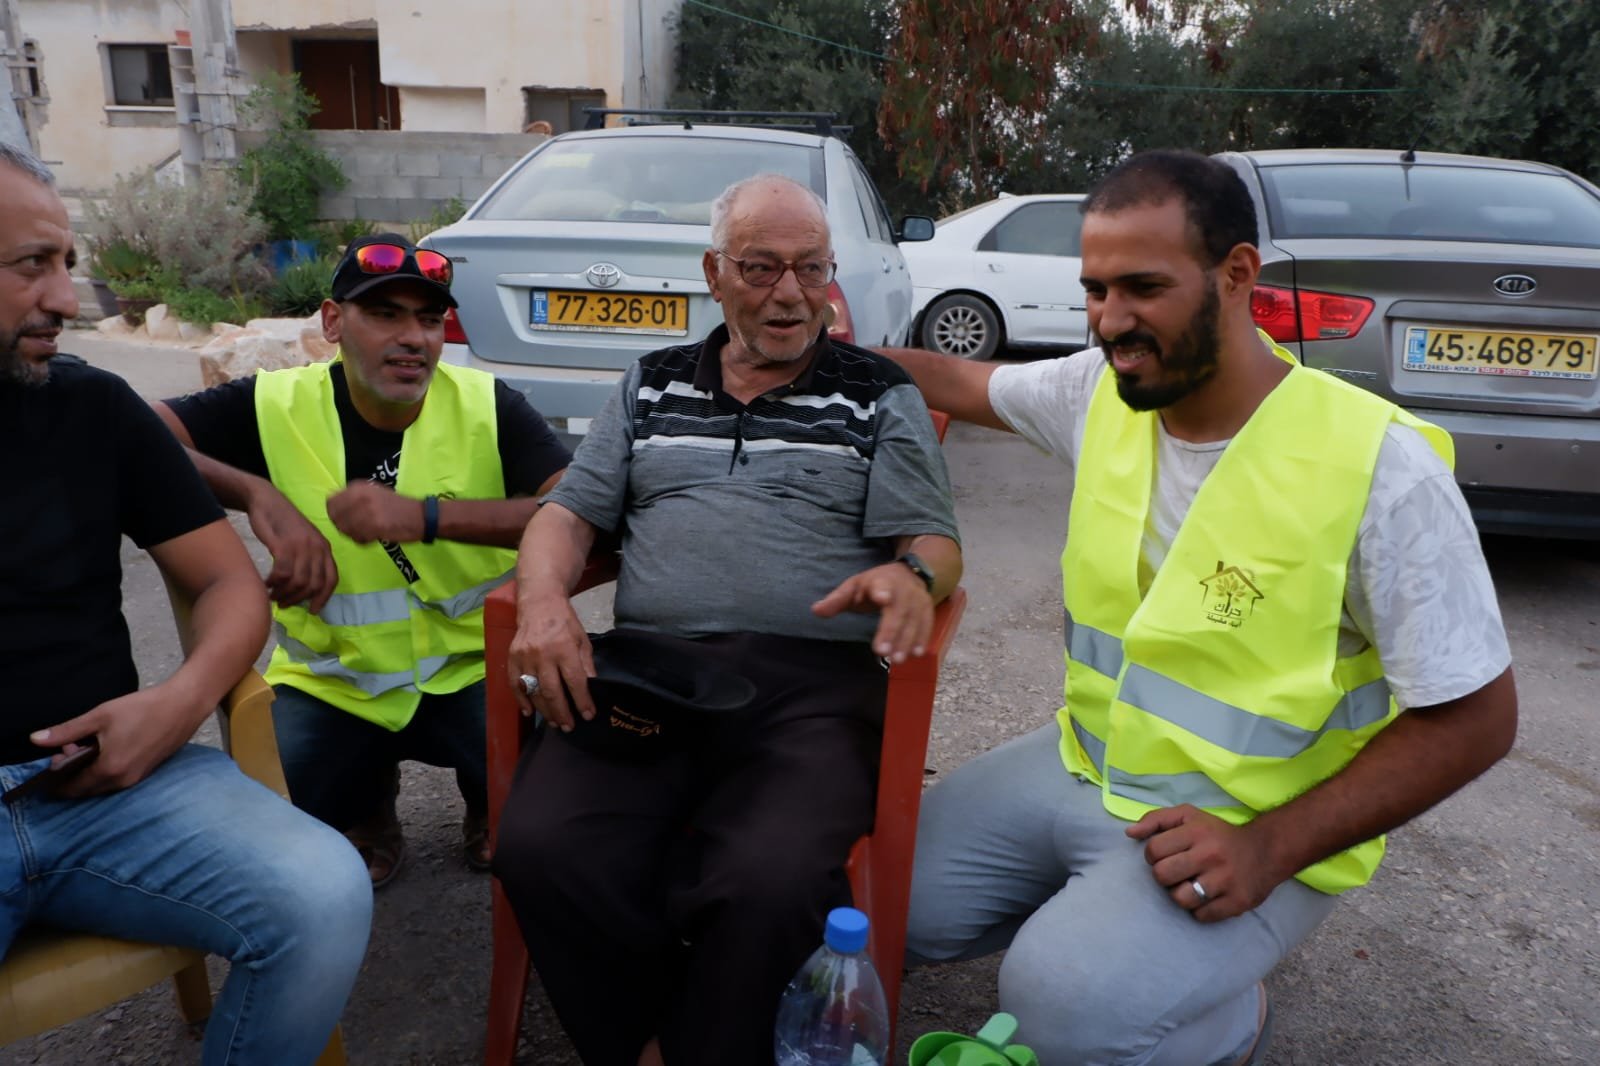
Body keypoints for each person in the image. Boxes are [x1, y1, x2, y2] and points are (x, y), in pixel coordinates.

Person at [880, 150, 1517, 1066]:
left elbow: (1478, 718)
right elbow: (957, 382)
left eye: (1143, 287)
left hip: (1248, 823)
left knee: (1052, 1005)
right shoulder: (1105, 391)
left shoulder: (1377, 467)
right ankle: (1130, 941)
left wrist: (1267, 849)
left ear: (1237, 275)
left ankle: (1224, 1017)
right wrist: (804, 348)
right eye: (1095, 289)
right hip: (1087, 767)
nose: (1110, 322)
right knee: (886, 899)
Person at [495, 173, 963, 1066]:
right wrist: (545, 602)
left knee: (772, 880)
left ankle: (690, 1044)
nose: (789, 293)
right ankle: (648, 1038)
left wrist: (912, 577)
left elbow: (935, 542)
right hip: (650, 676)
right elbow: (567, 515)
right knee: (543, 847)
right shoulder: (652, 382)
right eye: (760, 268)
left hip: (811, 693)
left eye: (810, 269)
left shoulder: (878, 391)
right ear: (713, 274)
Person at [0, 141, 371, 1063]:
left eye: (68, 265)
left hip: (115, 789)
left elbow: (227, 582)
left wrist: (175, 706)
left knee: (325, 892)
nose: (64, 299)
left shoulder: (90, 407)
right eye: (30, 266)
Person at [154, 234, 569, 888]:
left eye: (429, 319)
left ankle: (488, 798)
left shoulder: (488, 406)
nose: (413, 337)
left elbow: (573, 513)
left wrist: (423, 516)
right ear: (331, 322)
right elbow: (137, 435)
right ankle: (366, 804)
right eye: (384, 314)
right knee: (268, 823)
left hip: (473, 672)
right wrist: (257, 494)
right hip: (336, 682)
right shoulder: (274, 404)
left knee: (558, 803)